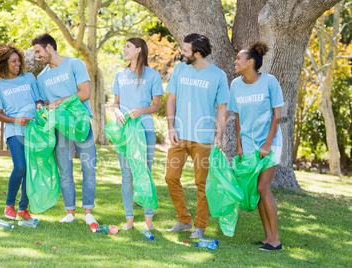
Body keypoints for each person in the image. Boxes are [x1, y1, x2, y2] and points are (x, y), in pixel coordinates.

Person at [165, 33, 229, 238]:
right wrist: (171, 127)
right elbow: (171, 99)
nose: (181, 53)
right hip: (179, 136)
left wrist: (219, 135)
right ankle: (183, 220)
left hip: (203, 139)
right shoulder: (180, 69)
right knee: (170, 177)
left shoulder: (218, 75)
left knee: (202, 184)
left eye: (185, 50)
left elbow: (222, 108)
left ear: (198, 53)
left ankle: (200, 225)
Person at [31, 34, 97, 225]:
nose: (37, 56)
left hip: (81, 124)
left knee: (89, 168)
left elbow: (85, 93)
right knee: (65, 170)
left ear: (49, 47)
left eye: (38, 51)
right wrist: (41, 106)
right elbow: (45, 103)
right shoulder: (41, 77)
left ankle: (88, 211)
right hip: (60, 127)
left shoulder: (75, 64)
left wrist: (59, 101)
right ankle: (70, 211)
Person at [227, 41, 283, 251]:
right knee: (257, 191)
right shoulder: (236, 85)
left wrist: (267, 144)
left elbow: (277, 116)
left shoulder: (270, 82)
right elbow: (238, 117)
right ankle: (267, 237)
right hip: (249, 146)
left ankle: (276, 240)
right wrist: (240, 146)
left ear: (250, 62)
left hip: (271, 142)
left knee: (263, 187)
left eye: (239, 59)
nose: (236, 61)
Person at [112, 38, 163, 231]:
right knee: (127, 175)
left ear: (139, 50)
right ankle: (129, 221)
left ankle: (148, 221)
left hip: (145, 129)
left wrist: (140, 110)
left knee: (145, 173)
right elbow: (115, 103)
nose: (124, 49)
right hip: (124, 131)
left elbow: (156, 106)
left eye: (128, 46)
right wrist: (116, 112)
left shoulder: (153, 75)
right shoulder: (120, 74)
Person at [0, 42, 40, 220]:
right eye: (13, 62)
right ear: (3, 63)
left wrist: (40, 107)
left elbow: (38, 100)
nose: (17, 64)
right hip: (14, 130)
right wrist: (18, 120)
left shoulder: (29, 79)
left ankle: (23, 208)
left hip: (33, 130)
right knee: (20, 167)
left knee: (30, 168)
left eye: (18, 61)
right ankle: (9, 205)